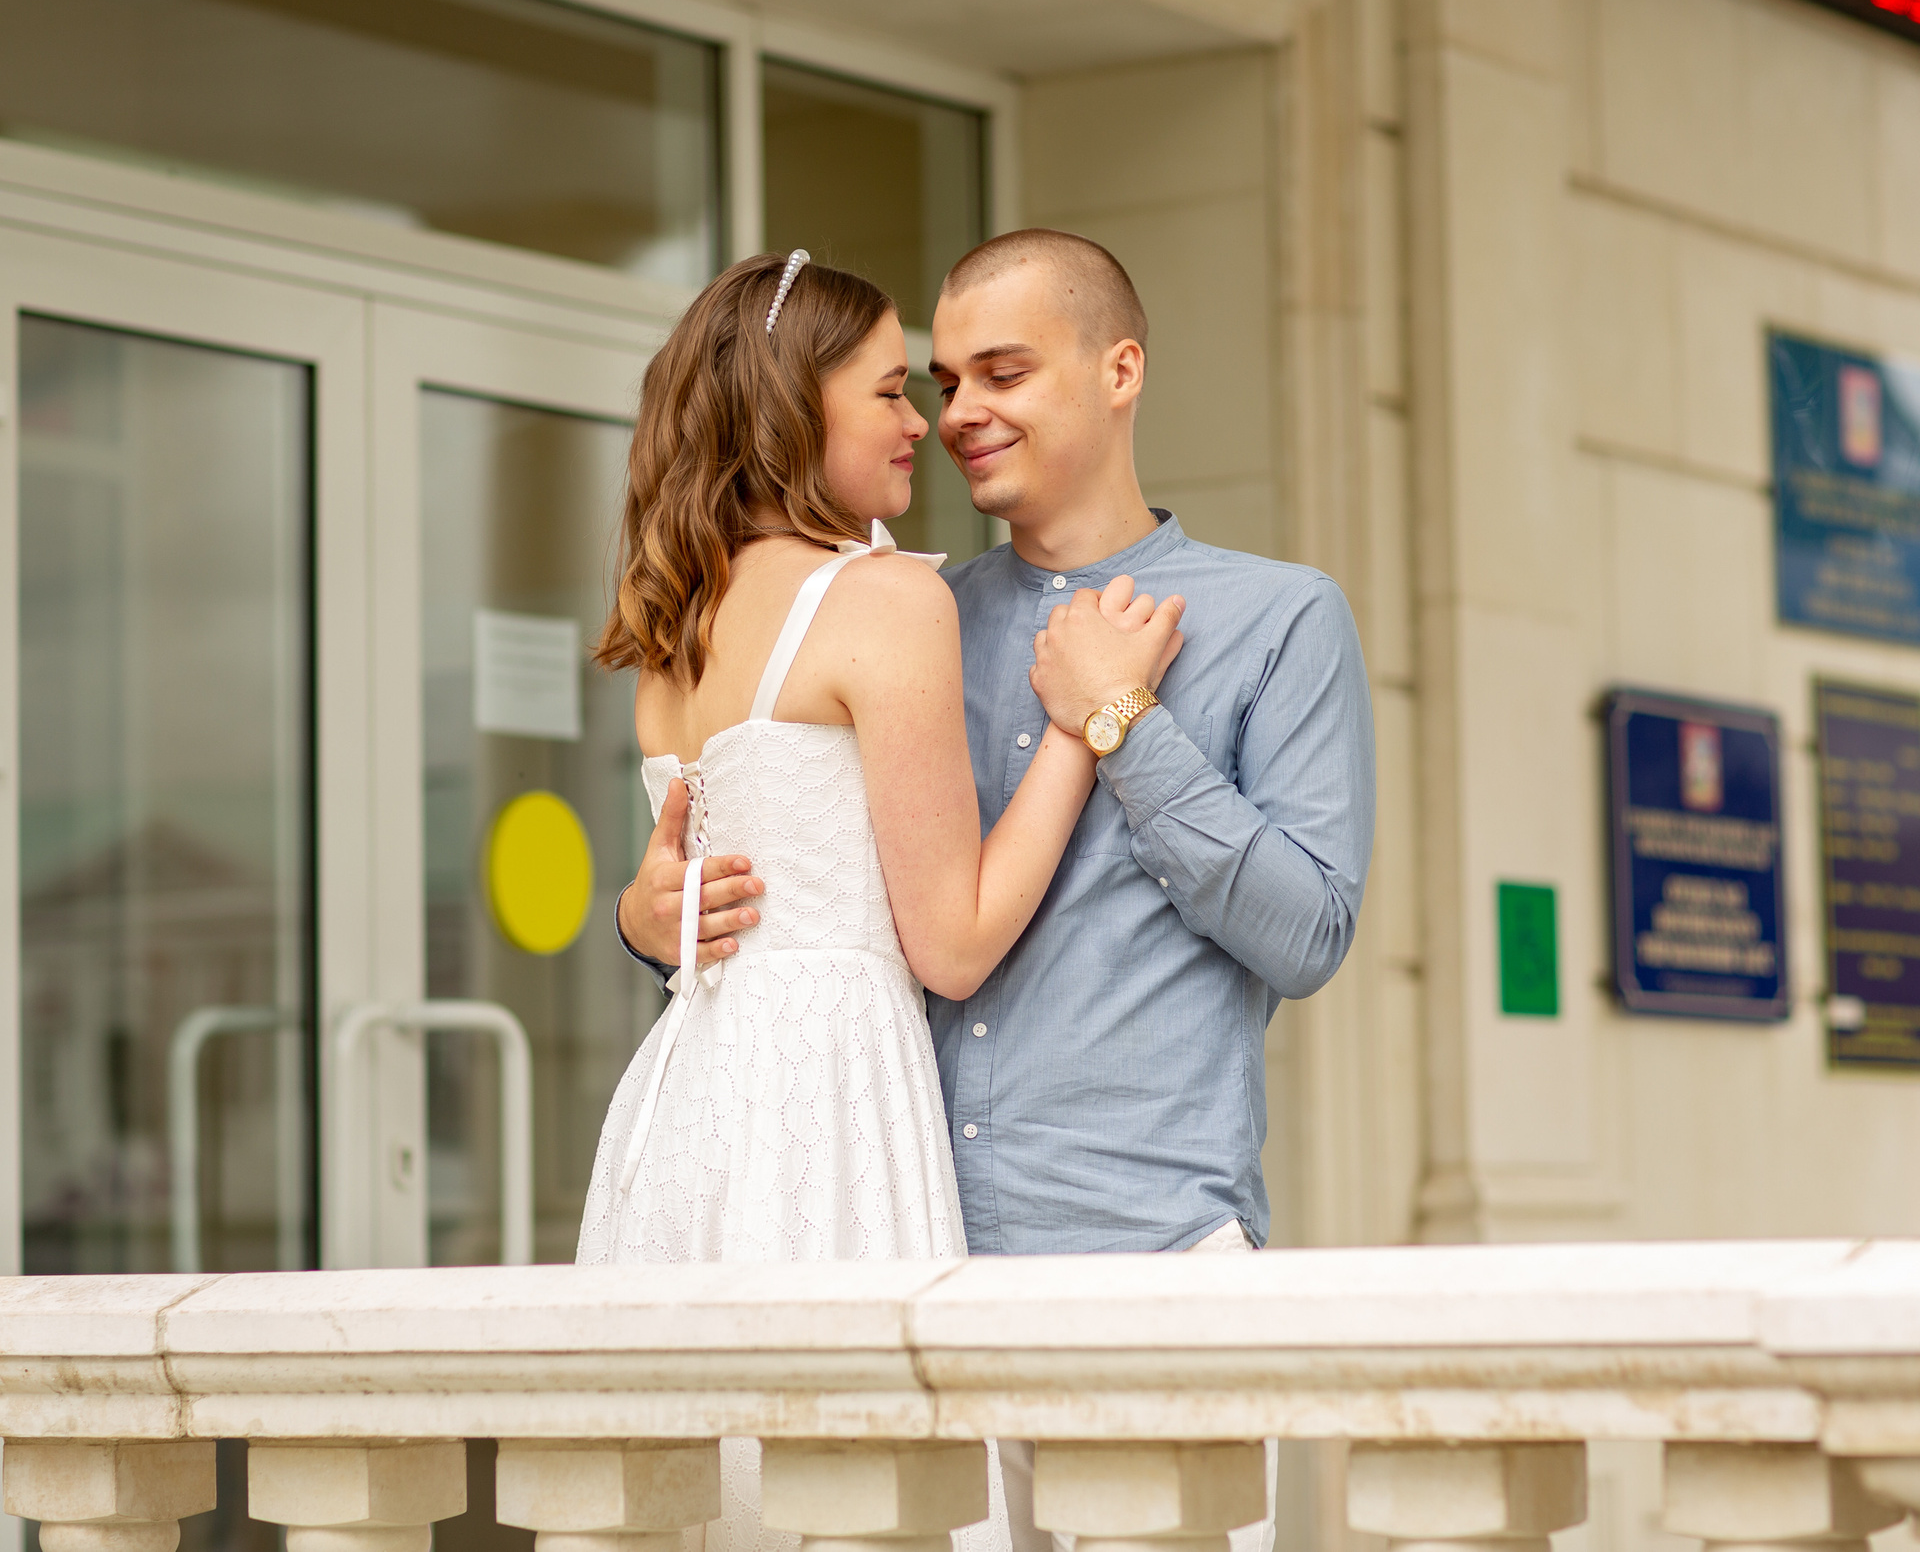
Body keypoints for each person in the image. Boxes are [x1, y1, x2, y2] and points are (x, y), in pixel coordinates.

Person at [619, 230, 1377, 1552]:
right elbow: (793, 880)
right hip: (900, 1260)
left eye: (1003, 374)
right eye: (940, 379)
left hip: (1149, 1260)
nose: (959, 415)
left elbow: (1307, 933)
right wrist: (650, 918)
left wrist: (1127, 728)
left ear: (1120, 368)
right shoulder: (898, 605)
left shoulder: (1282, 620)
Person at [577, 248, 1184, 1551]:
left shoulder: (671, 619)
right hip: (828, 1101)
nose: (925, 421)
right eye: (887, 391)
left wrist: (642, 916)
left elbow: (697, 883)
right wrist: (1085, 726)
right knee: (861, 1496)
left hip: (689, 1104)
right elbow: (955, 943)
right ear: (798, 410)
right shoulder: (885, 595)